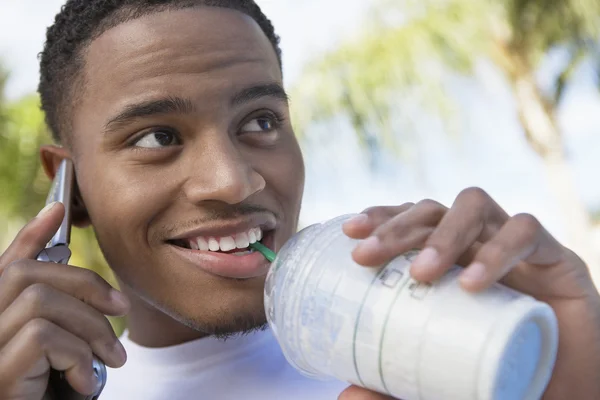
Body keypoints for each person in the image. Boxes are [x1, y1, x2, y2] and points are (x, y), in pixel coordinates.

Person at [0, 1, 598, 399]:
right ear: (69, 188)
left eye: (260, 121)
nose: (234, 182)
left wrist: (574, 373)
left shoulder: (461, 357)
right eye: (158, 137)